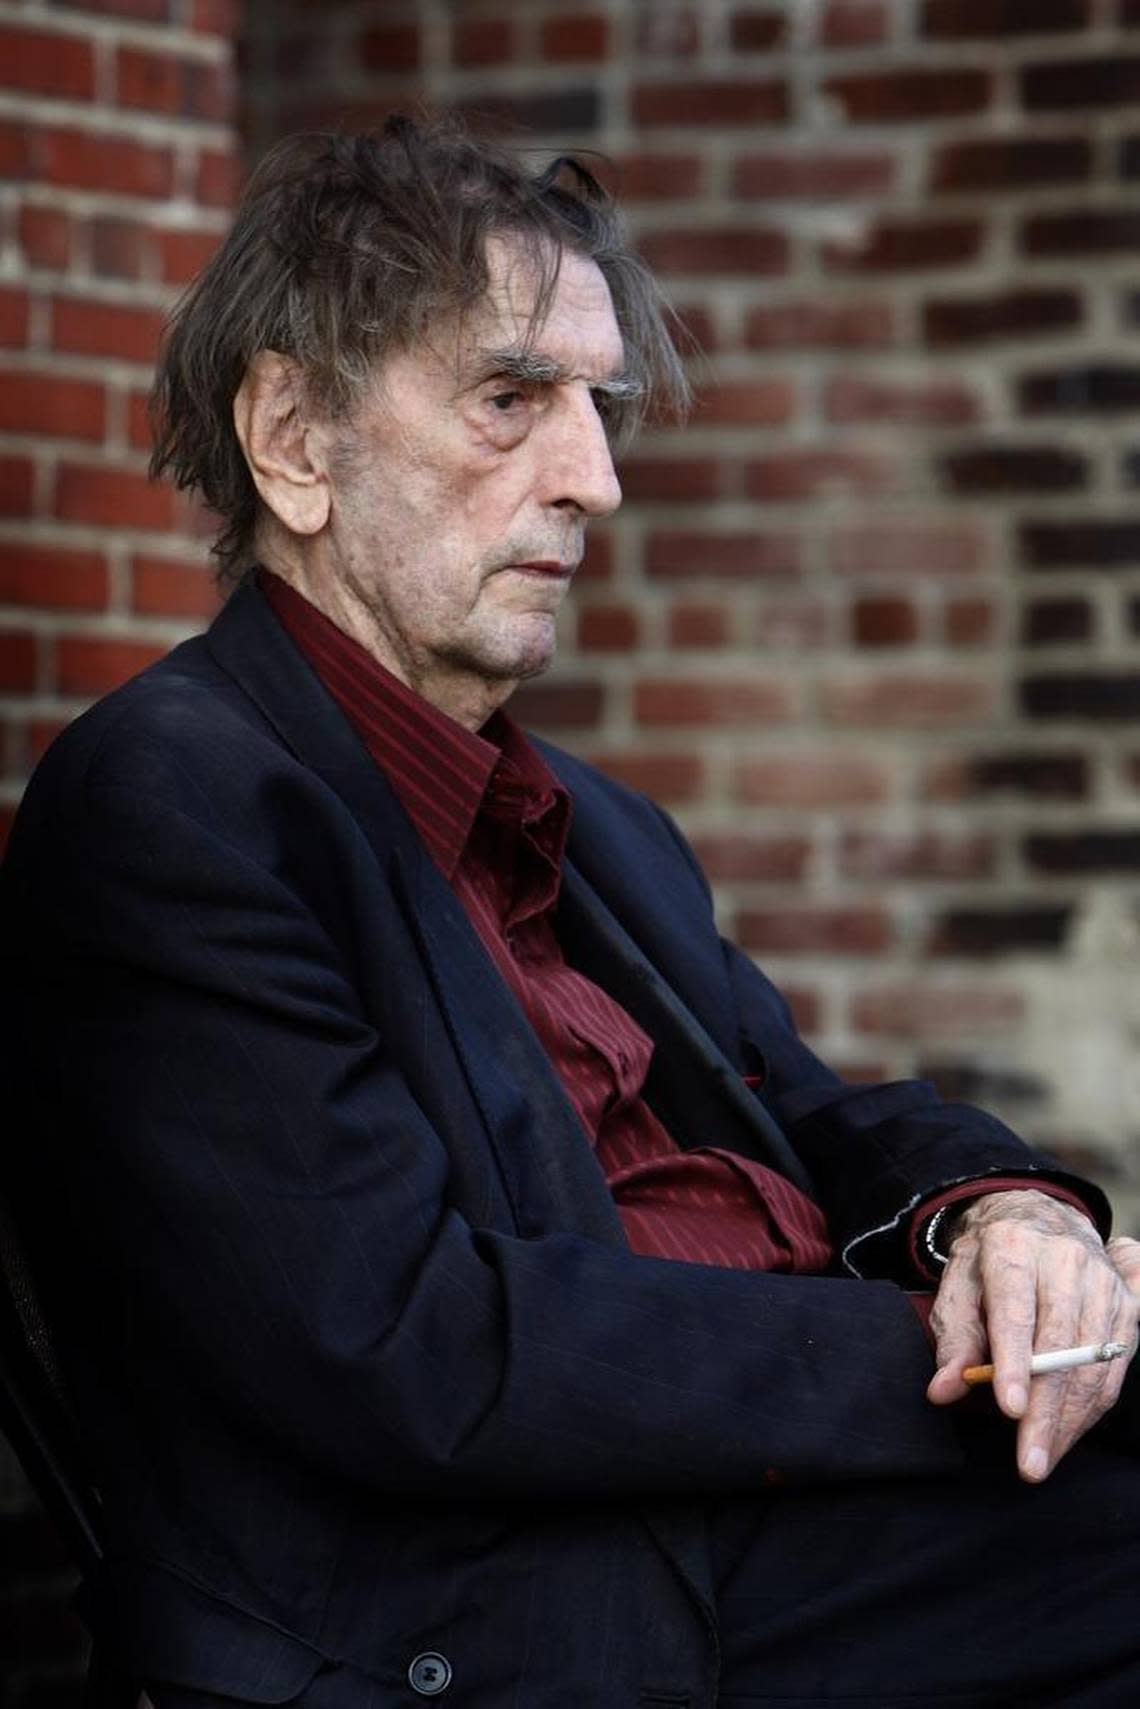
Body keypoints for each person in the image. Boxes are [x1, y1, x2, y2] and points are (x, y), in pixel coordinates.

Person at [3, 116, 1140, 1708]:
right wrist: (958, 1359)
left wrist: (1008, 1227)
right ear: (295, 442)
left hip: (746, 1527)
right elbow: (416, 1344)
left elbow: (814, 1120)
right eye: (509, 399)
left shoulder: (599, 827)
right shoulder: (176, 805)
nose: (595, 478)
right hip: (492, 1620)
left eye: (597, 410)